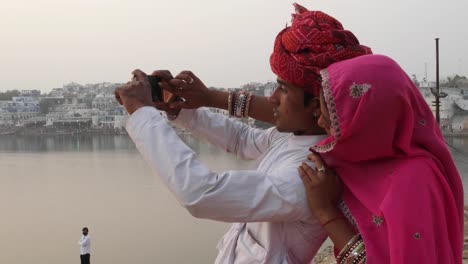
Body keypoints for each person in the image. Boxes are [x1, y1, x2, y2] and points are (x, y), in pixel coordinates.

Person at [115, 3, 371, 263]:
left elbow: (201, 194)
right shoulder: (296, 135)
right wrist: (177, 109)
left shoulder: (309, 175)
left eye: (282, 89)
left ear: (317, 104)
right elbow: (242, 140)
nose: (272, 98)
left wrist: (142, 113)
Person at [298, 54, 464, 263]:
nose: (321, 122)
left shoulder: (414, 179)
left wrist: (326, 213)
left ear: (366, 118)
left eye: (331, 116)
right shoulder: (367, 164)